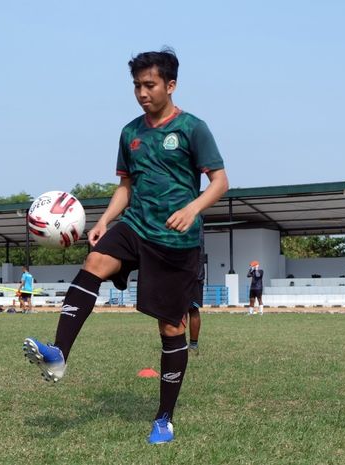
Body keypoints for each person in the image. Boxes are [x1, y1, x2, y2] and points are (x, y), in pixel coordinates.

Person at [22, 48, 228, 445]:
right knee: (94, 261)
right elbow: (126, 187)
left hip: (175, 239)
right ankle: (59, 353)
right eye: (136, 85)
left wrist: (193, 207)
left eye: (149, 85)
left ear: (170, 85)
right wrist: (103, 221)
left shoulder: (192, 128)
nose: (141, 93)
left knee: (171, 328)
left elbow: (220, 181)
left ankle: (164, 418)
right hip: (136, 225)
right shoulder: (130, 132)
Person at [188, 224, 205, 355]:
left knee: (190, 310)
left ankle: (192, 344)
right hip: (195, 272)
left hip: (190, 271)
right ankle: (190, 345)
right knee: (192, 309)